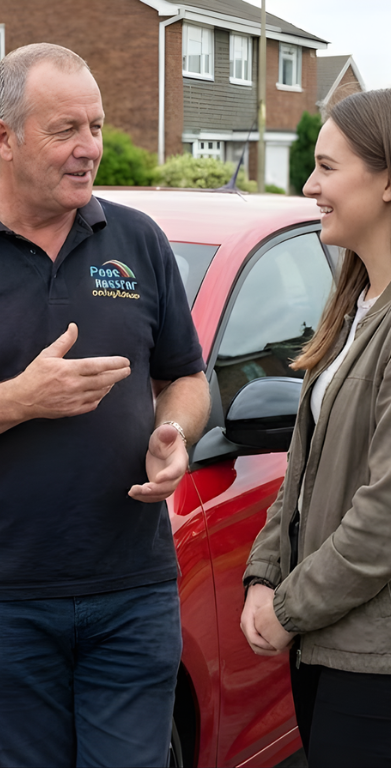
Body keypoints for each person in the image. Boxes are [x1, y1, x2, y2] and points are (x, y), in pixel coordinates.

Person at [0, 43, 210, 768]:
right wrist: (21, 400)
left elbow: (185, 376)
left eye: (96, 124)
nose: (91, 148)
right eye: (66, 130)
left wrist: (175, 430)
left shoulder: (139, 241)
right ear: (4, 138)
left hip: (132, 591)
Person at [241, 88, 391, 767]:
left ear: (386, 180)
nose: (310, 185)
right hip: (326, 645)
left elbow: (384, 516)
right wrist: (264, 573)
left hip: (375, 659)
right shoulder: (353, 301)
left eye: (328, 167)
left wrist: (290, 606)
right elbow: (301, 471)